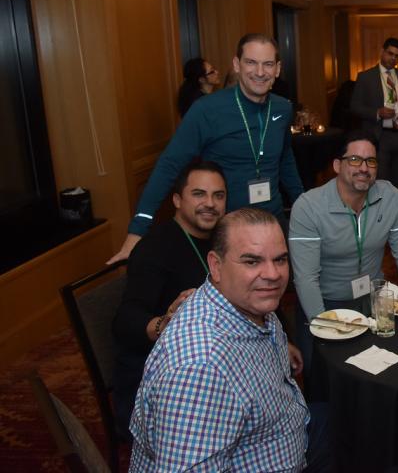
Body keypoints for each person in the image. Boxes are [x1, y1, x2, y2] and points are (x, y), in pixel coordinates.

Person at [129, 208, 328, 472]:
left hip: (283, 432)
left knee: (359, 422)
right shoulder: (200, 368)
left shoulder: (249, 301)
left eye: (280, 259)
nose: (273, 274)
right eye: (252, 261)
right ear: (216, 265)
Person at [108, 33, 304, 263]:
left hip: (272, 223)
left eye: (268, 64)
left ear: (277, 69)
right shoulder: (207, 109)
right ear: (236, 64)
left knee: (278, 282)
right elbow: (170, 165)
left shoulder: (283, 108)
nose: (259, 72)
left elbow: (286, 160)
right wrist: (138, 229)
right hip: (226, 231)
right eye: (251, 62)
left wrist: (303, 206)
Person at [111, 161, 226, 437]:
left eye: (218, 195)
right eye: (199, 194)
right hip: (159, 383)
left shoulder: (223, 240)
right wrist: (164, 323)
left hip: (210, 363)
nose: (210, 204)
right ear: (177, 200)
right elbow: (124, 321)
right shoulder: (154, 248)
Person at [289, 130, 398, 322]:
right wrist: (324, 326)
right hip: (326, 303)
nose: (364, 168)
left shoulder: (390, 197)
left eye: (371, 161)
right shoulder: (309, 207)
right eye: (354, 160)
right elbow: (306, 278)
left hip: (375, 300)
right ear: (337, 165)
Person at [350, 37, 398, 194]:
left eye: (397, 56)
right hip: (380, 136)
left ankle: (397, 209)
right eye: (390, 54)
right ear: (382, 52)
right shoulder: (366, 77)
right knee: (379, 182)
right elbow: (355, 107)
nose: (393, 58)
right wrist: (377, 112)